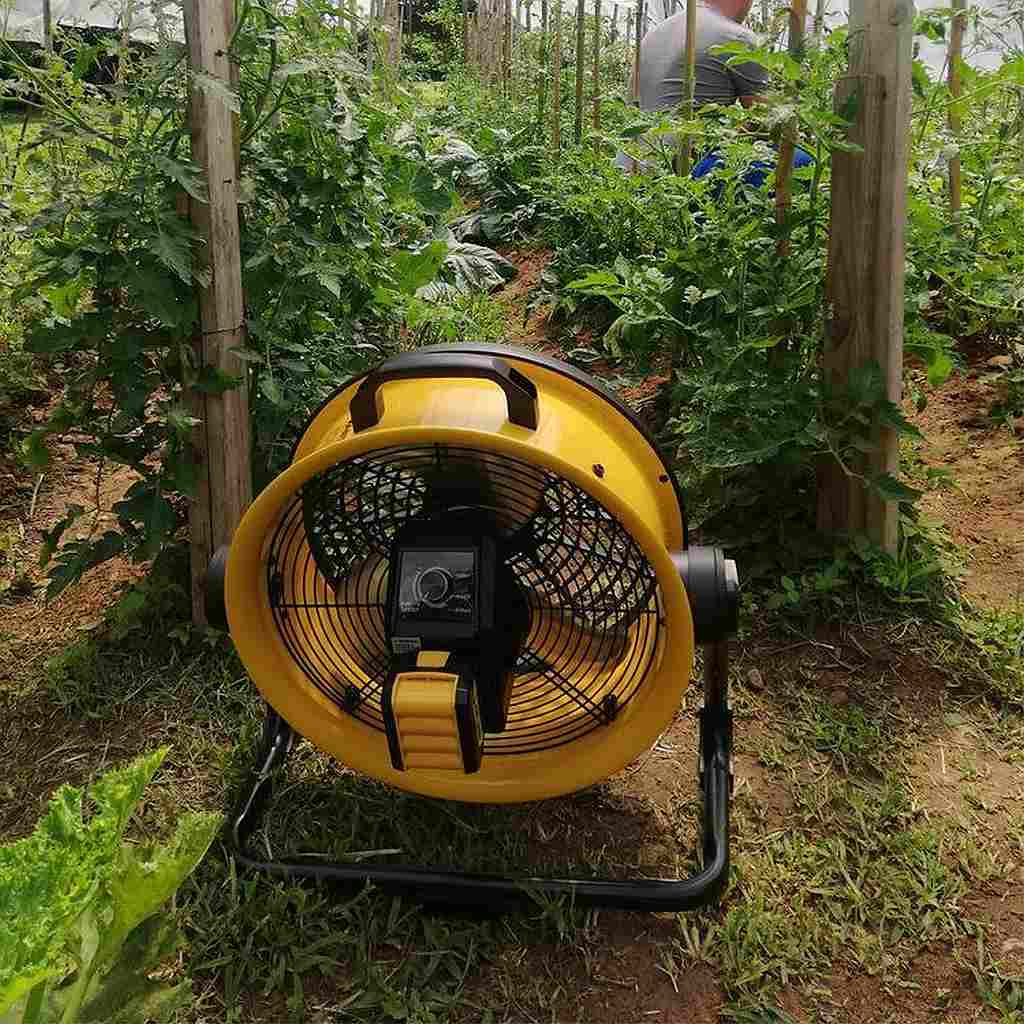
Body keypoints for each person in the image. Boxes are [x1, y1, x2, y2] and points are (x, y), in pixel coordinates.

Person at [617, 0, 812, 185]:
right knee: (804, 160)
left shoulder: (654, 33)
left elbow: (634, 109)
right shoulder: (736, 37)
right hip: (680, 171)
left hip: (630, 164)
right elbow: (768, 122)